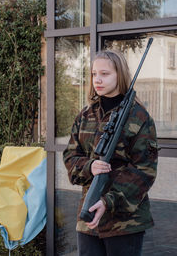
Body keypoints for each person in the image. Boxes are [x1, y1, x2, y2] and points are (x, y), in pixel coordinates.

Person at [63, 49, 158, 256]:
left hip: (125, 223)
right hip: (88, 220)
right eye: (94, 74)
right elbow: (70, 156)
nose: (97, 79)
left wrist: (108, 202)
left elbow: (144, 171)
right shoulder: (85, 115)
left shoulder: (139, 116)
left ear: (119, 75)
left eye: (105, 74)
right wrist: (89, 166)